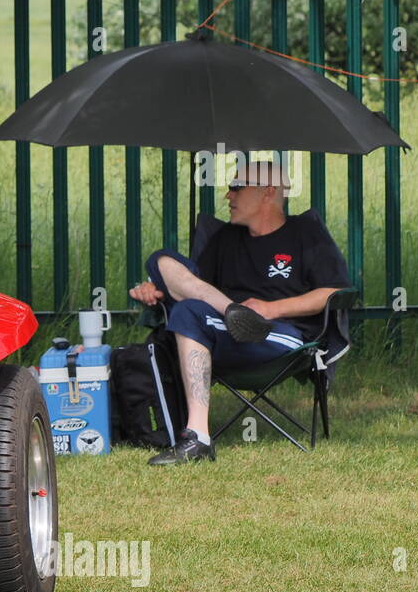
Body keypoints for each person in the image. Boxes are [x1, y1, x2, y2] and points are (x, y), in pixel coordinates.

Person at [129, 159, 350, 465]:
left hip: (281, 338)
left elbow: (334, 292)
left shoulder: (305, 233)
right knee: (161, 261)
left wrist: (269, 309)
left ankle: (198, 437)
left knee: (188, 312)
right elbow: (194, 286)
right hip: (224, 330)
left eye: (236, 187)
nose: (227, 195)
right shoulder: (225, 239)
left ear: (268, 192)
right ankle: (232, 313)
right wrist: (158, 291)